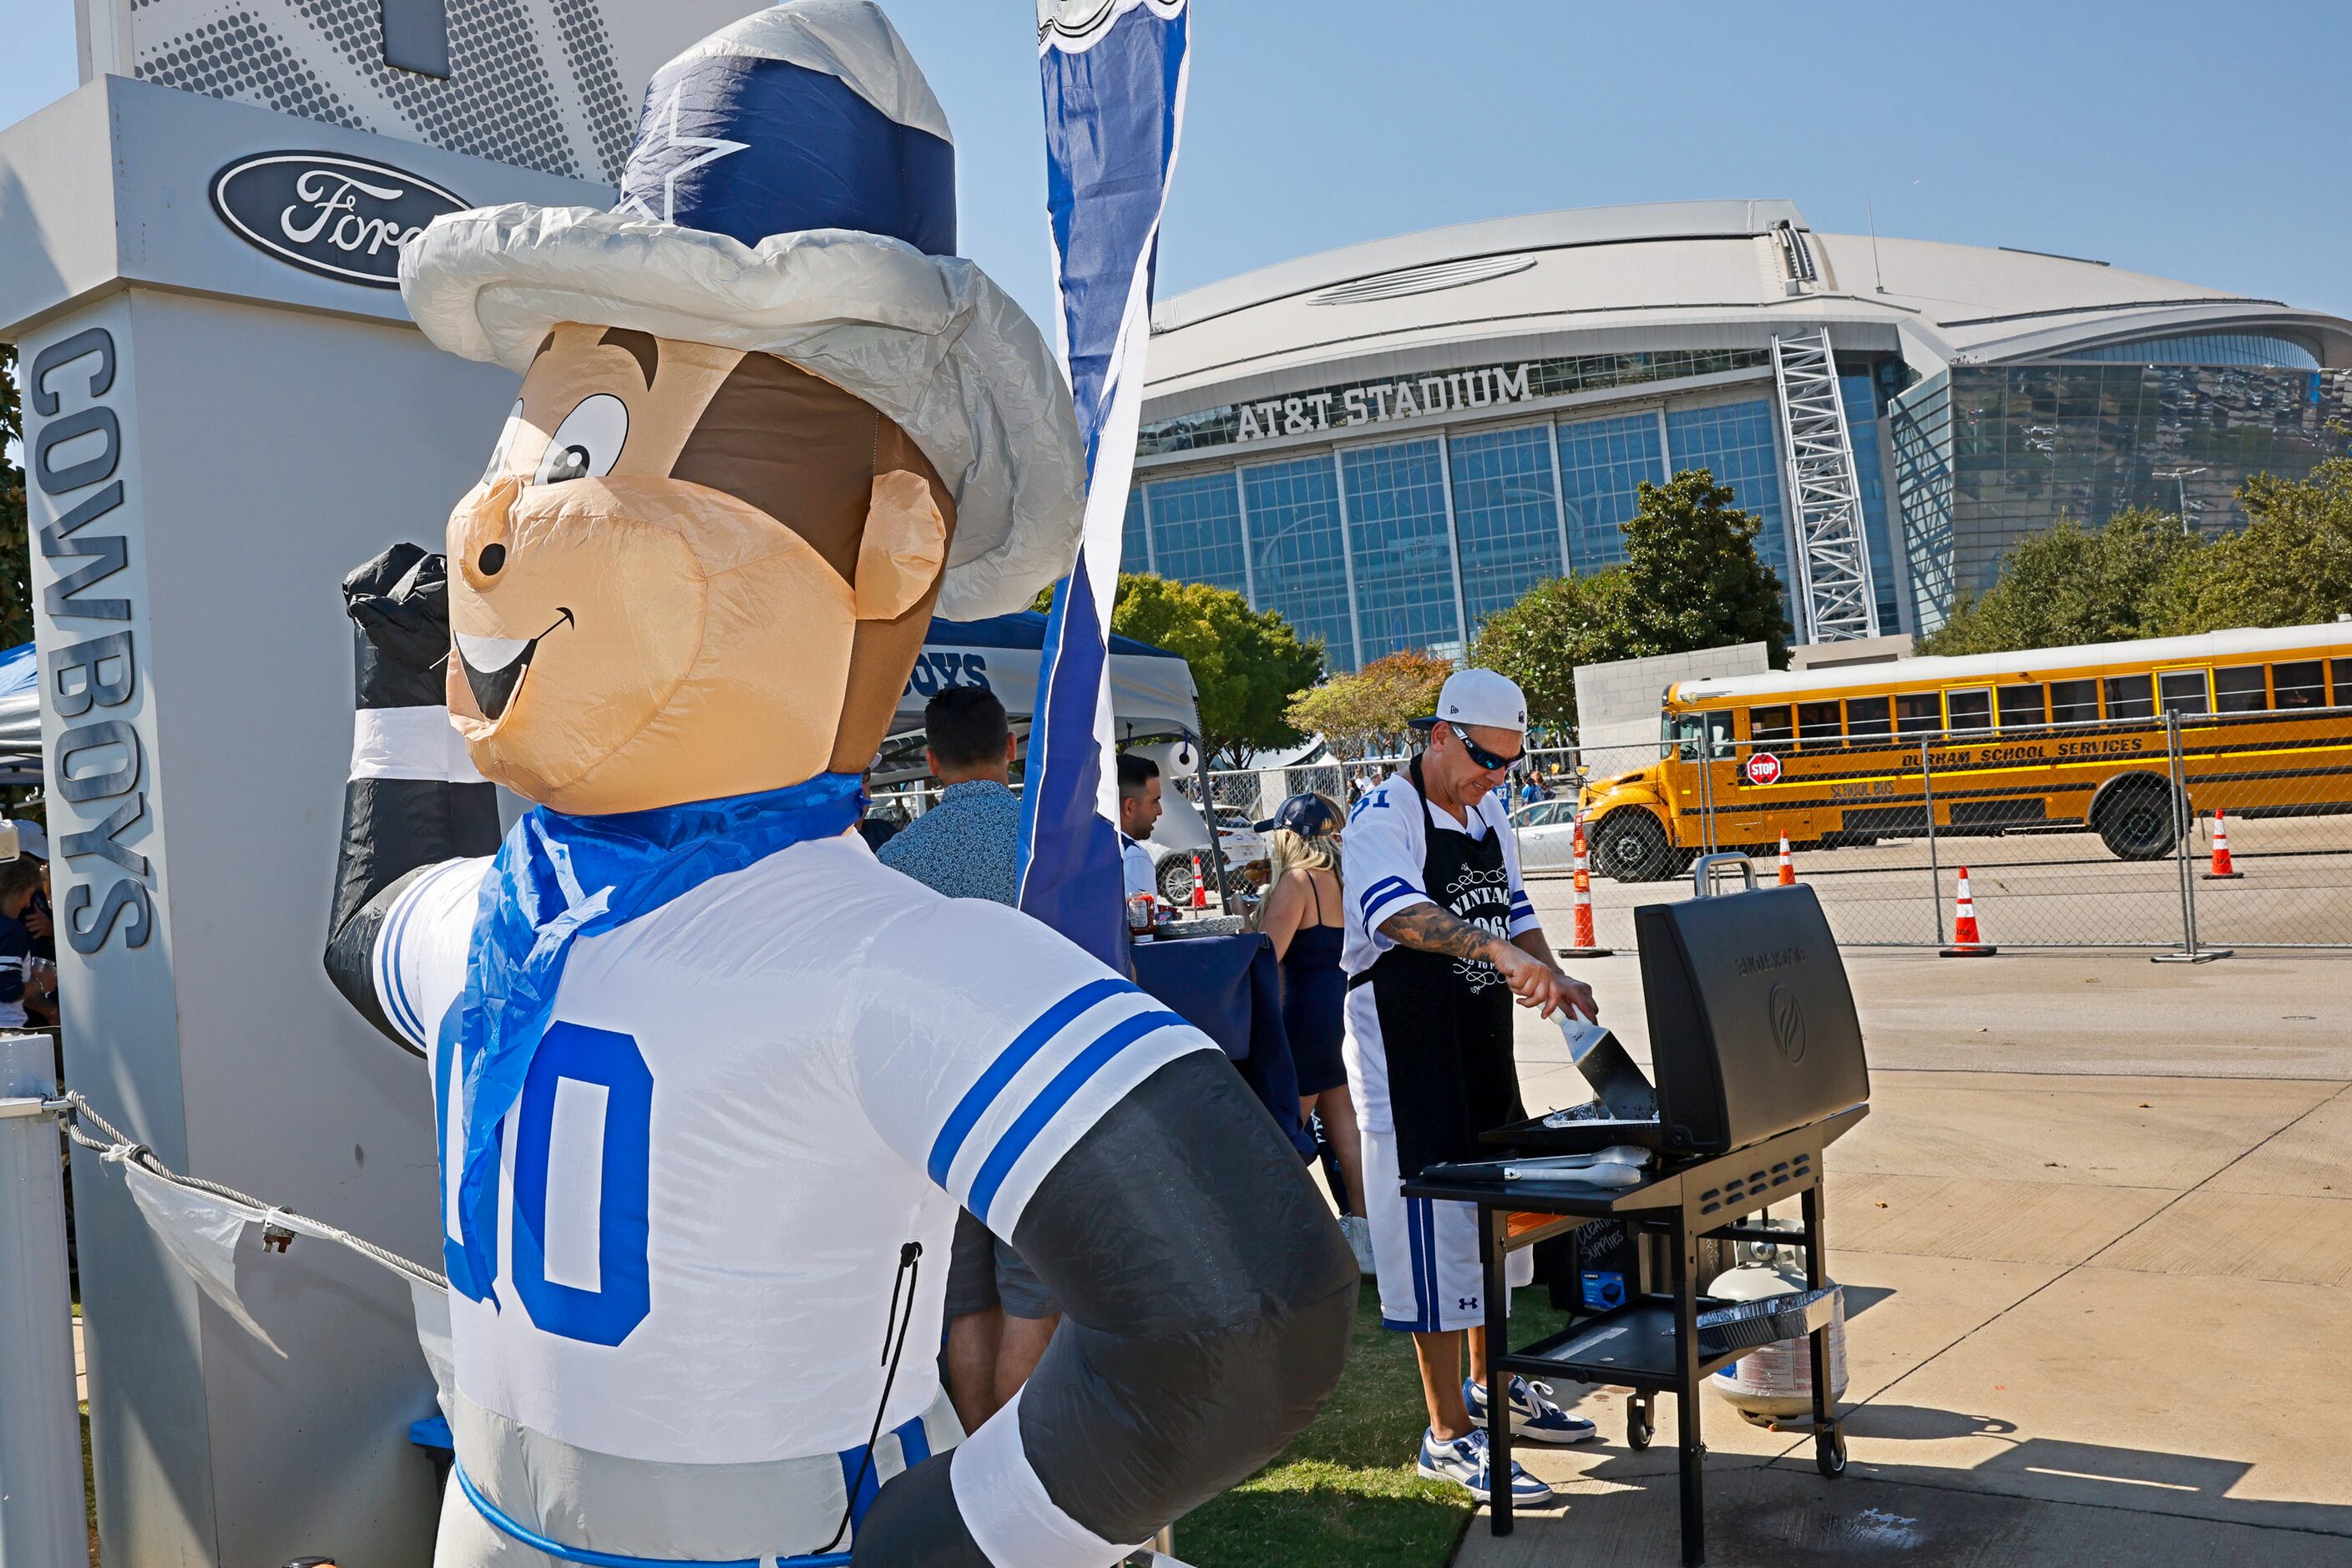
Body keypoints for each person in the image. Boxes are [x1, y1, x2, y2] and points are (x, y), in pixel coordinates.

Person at [1343, 668, 1604, 1507]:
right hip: (1405, 1049)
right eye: (1490, 762)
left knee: (1499, 1215)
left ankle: (1495, 1388)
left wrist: (1555, 976)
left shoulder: (1487, 810)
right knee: (1431, 1231)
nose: (1501, 780)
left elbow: (1513, 907)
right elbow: (1396, 917)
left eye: (1511, 766)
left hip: (1480, 1039)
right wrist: (1500, 956)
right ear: (1442, 736)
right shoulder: (1383, 817)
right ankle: (1447, 1433)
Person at [877, 688, 1063, 1432]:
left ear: (928, 760)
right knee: (1032, 1292)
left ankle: (977, 1460)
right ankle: (1015, 1470)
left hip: (936, 1101)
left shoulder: (893, 860)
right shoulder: (1053, 840)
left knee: (965, 1298)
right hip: (1034, 1090)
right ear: (1010, 748)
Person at [1255, 793, 1373, 1272]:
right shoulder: (1349, 882)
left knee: (1283, 1135)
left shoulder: (1298, 883)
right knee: (1348, 1132)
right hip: (1344, 1017)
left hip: (1304, 1021)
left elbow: (1266, 956)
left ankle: (1278, 1238)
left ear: (1290, 838)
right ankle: (1366, 1237)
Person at [1116, 751, 1162, 903]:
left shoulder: (1082, 843)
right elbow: (1141, 925)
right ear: (1129, 807)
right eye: (1155, 801)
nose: (1160, 810)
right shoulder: (1133, 856)